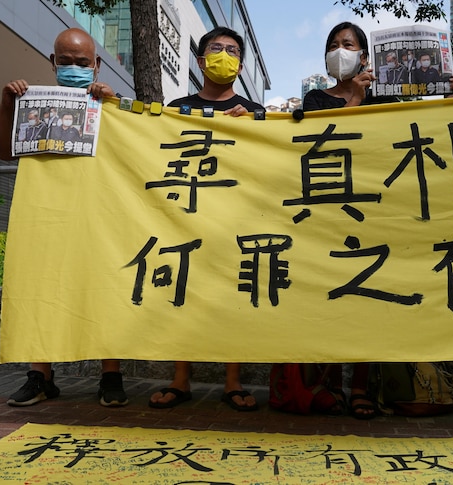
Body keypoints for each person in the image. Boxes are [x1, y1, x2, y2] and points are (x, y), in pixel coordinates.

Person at [296, 22, 453, 420]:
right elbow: (323, 143)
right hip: (330, 214)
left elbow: (421, 137)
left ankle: (361, 387)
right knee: (334, 298)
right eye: (334, 45)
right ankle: (331, 385)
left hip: (376, 216)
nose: (341, 50)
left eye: (349, 44)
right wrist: (353, 100)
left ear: (367, 57)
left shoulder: (385, 99)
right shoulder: (316, 99)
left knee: (371, 303)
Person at [0, 28, 124, 407]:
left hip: (97, 208)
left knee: (102, 286)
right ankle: (40, 374)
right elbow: (4, 151)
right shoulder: (30, 101)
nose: (73, 68)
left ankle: (111, 374)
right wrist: (7, 104)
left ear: (96, 66)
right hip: (44, 209)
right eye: (64, 61)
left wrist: (114, 105)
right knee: (40, 285)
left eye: (82, 63)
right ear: (52, 62)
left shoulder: (106, 102)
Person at [148, 27, 262, 413]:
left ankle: (233, 380)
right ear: (200, 60)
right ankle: (181, 378)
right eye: (216, 49)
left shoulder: (254, 112)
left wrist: (252, 127)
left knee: (232, 298)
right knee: (182, 295)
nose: (224, 56)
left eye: (232, 51)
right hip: (185, 218)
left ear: (241, 65)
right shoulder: (177, 108)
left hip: (235, 220)